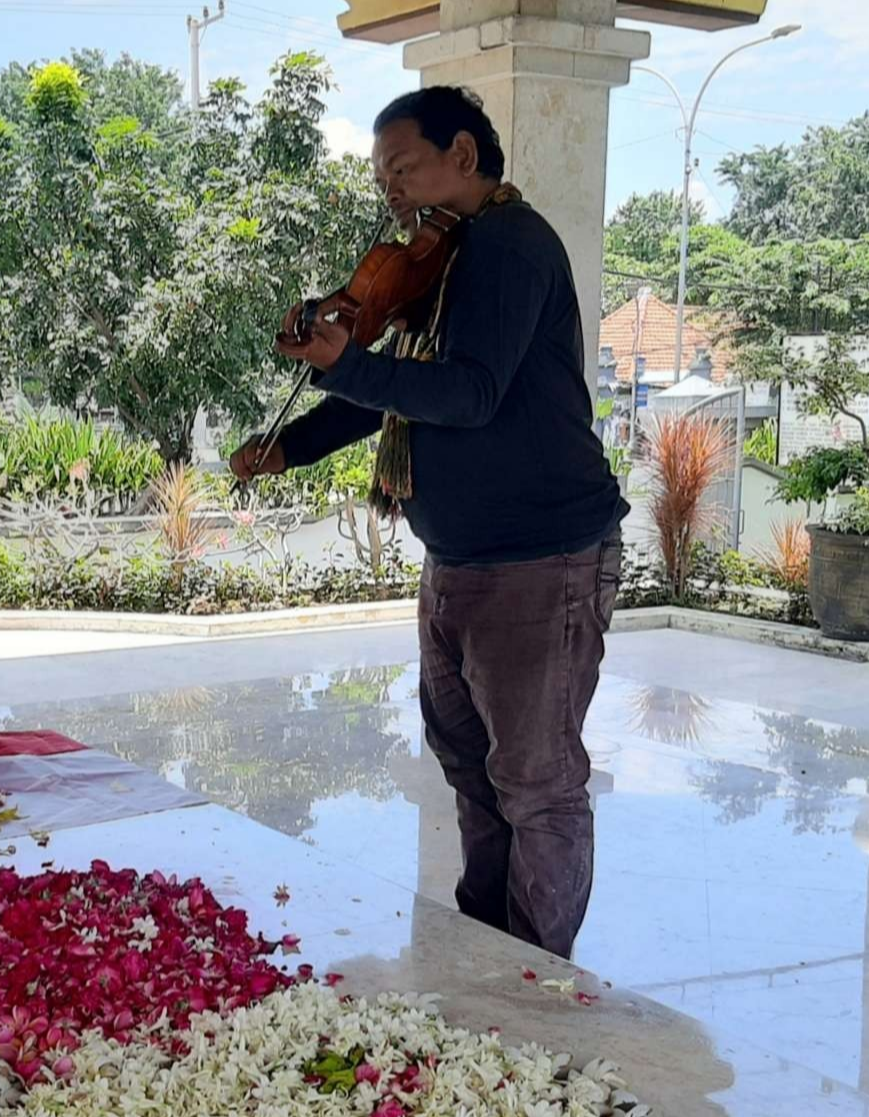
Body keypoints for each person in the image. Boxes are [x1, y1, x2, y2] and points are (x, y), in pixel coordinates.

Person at [229, 86, 628, 960]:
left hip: (541, 557)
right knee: (471, 772)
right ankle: (491, 953)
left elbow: (470, 393)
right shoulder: (439, 262)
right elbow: (392, 398)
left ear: (461, 153)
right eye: (381, 177)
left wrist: (351, 365)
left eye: (402, 168)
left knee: (534, 782)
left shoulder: (508, 246)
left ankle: (540, 984)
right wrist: (287, 446)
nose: (392, 190)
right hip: (458, 561)